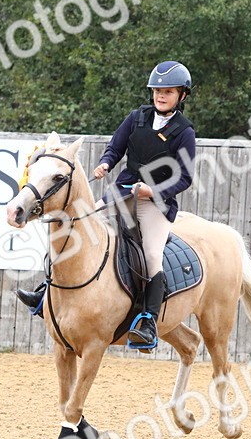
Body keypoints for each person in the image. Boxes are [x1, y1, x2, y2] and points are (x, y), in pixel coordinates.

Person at [17, 60, 196, 348]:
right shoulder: (137, 117)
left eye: (168, 92)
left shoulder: (184, 132)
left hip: (156, 204)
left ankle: (148, 320)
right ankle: (45, 293)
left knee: (151, 255)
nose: (160, 96)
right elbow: (116, 147)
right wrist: (105, 163)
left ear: (182, 96)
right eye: (157, 91)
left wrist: (152, 191)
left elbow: (184, 178)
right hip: (121, 192)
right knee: (75, 232)